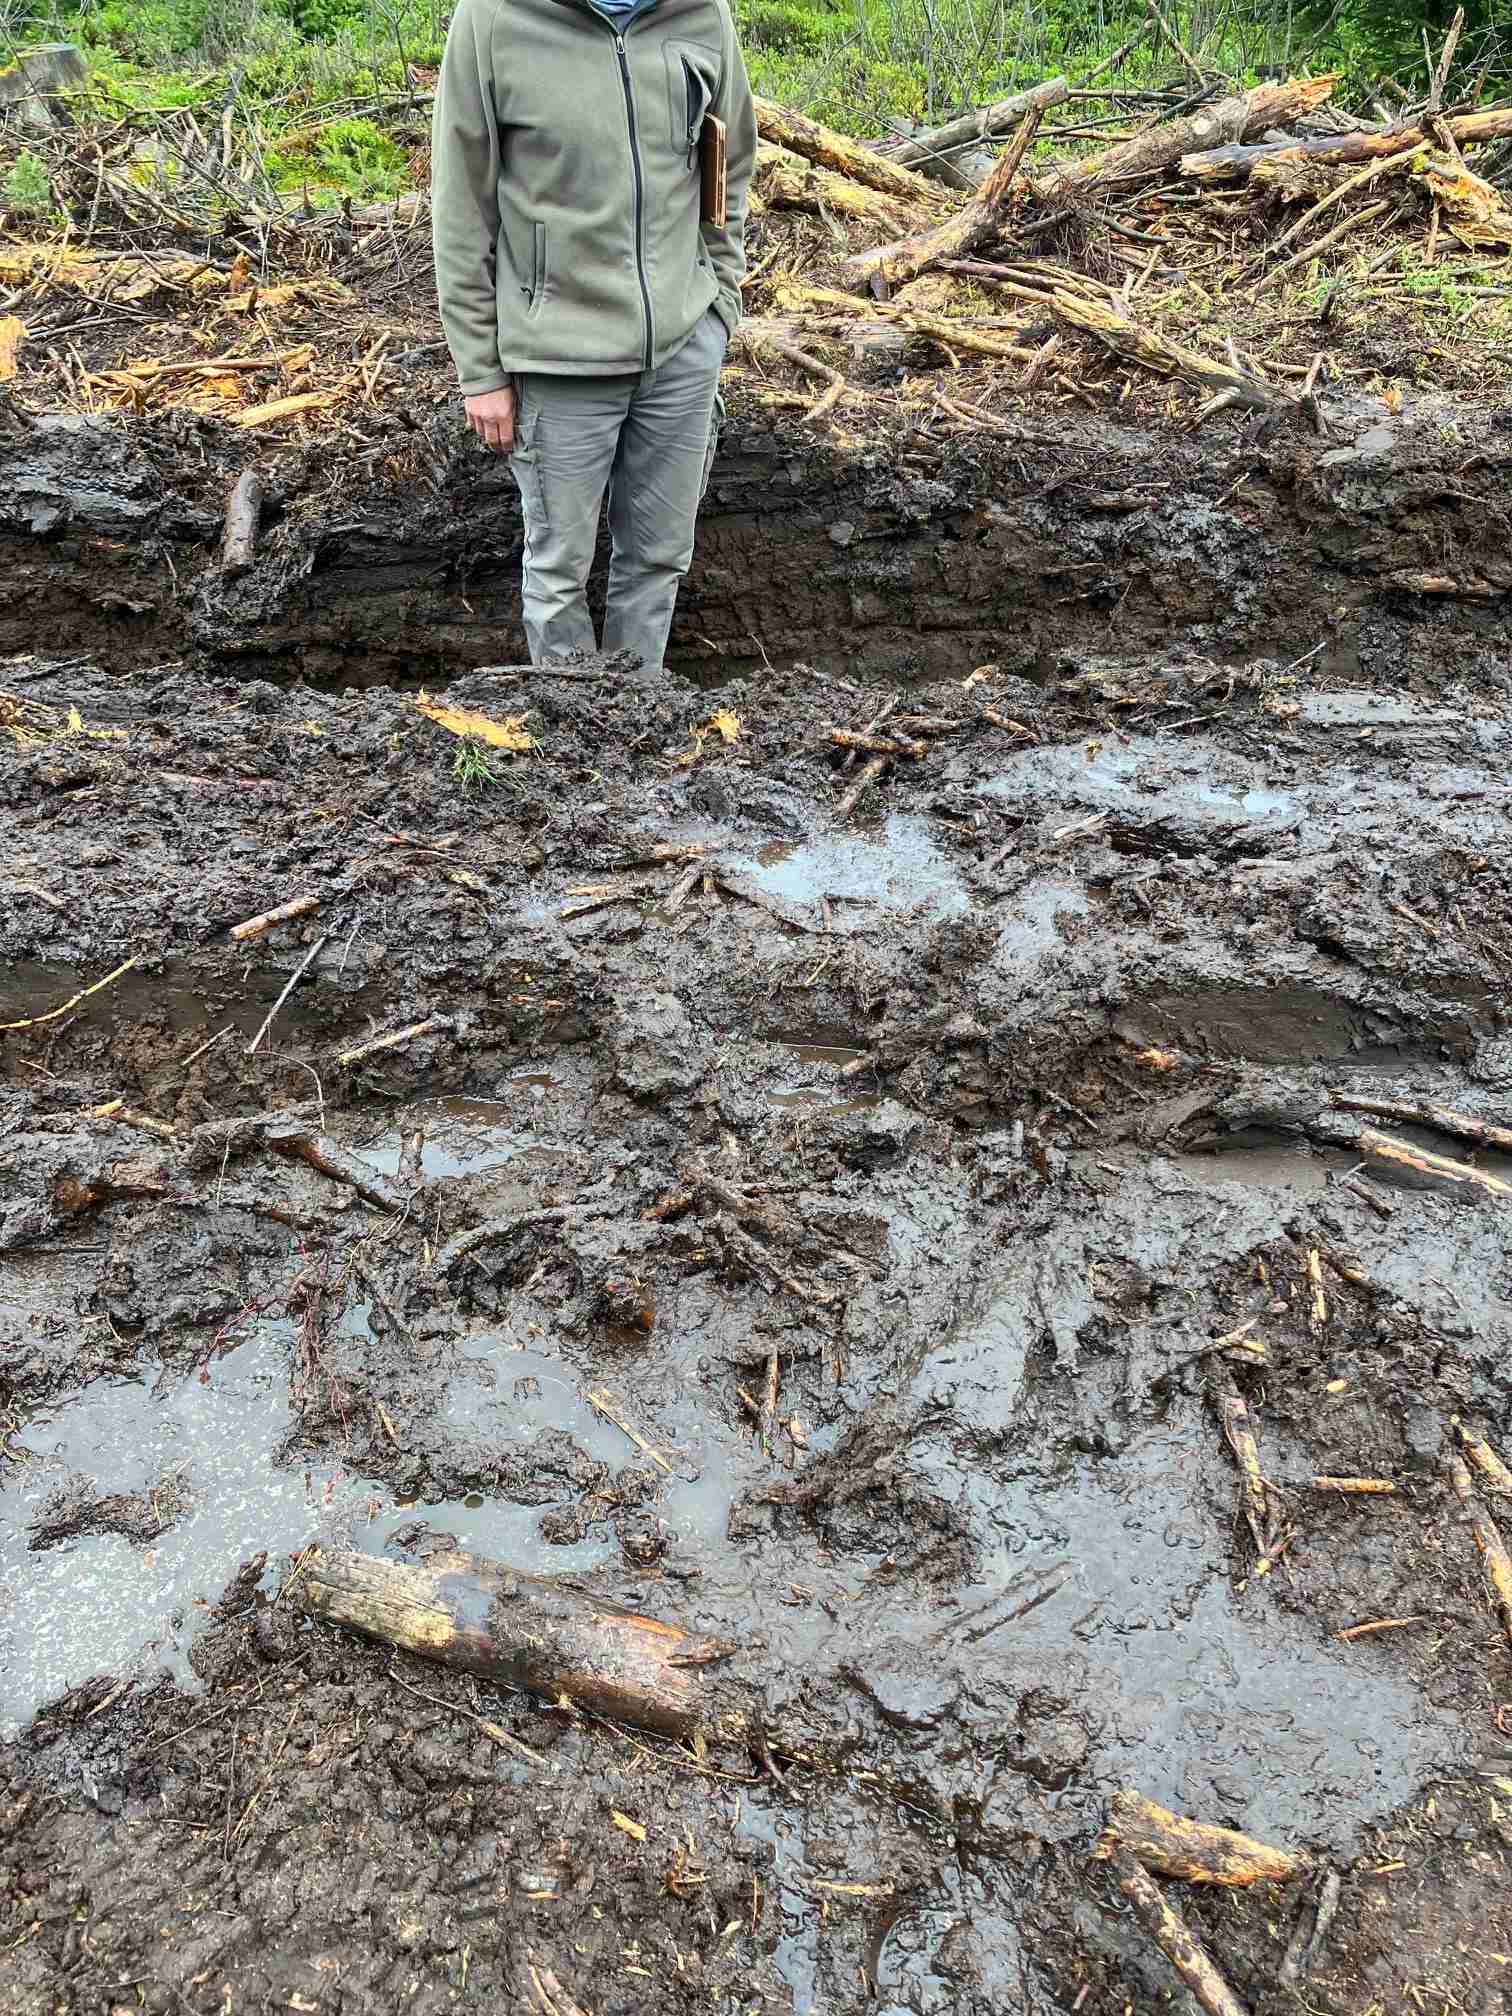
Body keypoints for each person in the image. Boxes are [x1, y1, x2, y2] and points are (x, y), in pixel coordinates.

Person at [430, 0, 756, 680]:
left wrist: (718, 303)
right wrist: (481, 370)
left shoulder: (702, 13)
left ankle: (638, 713)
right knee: (559, 571)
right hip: (558, 357)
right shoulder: (492, 19)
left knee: (658, 559)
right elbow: (462, 205)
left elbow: (729, 160)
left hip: (681, 350)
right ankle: (572, 730)